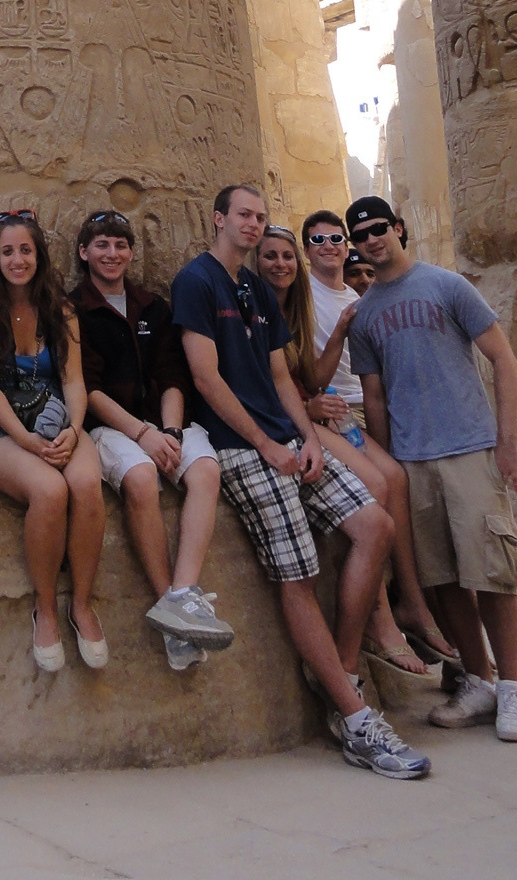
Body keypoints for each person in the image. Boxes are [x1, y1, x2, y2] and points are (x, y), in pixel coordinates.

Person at [172, 185, 430, 779]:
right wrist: (265, 444)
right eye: (244, 215)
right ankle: (356, 720)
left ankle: (341, 670)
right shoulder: (196, 281)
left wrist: (307, 437)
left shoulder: (256, 288)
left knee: (376, 526)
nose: (253, 224)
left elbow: (282, 377)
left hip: (289, 441)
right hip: (241, 447)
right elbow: (207, 379)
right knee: (300, 576)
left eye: (261, 216)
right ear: (219, 219)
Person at [346, 193, 517, 743]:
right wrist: (387, 462)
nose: (371, 240)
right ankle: (478, 680)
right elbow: (374, 396)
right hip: (412, 458)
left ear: (398, 228)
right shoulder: (366, 314)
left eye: (378, 228)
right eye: (360, 235)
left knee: (492, 573)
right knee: (444, 580)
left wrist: (508, 440)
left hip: (470, 446)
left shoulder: (447, 285)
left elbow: (503, 358)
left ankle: (513, 687)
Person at [256, 222, 453, 680]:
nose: (280, 265)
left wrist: (340, 333)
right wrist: (309, 407)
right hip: (294, 419)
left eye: (285, 256)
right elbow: (274, 386)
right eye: (271, 256)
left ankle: (413, 603)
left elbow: (312, 376)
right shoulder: (260, 307)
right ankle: (380, 619)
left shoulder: (297, 307)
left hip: (318, 411)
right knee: (376, 485)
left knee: (395, 479)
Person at [71, 209, 233, 670]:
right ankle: (172, 609)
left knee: (205, 470)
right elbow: (87, 388)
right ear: (84, 252)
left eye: (121, 245)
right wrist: (142, 435)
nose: (112, 253)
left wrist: (170, 432)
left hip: (163, 420)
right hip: (110, 425)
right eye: (102, 244)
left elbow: (172, 374)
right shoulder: (74, 309)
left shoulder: (153, 307)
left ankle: (181, 596)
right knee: (142, 477)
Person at [0, 210, 106, 673]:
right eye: (7, 251)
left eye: (26, 250)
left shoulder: (60, 310)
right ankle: (44, 608)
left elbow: (73, 380)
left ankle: (81, 604)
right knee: (49, 490)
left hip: (58, 420)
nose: (17, 260)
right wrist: (26, 441)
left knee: (86, 485)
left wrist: (75, 429)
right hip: (3, 429)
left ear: (39, 255)